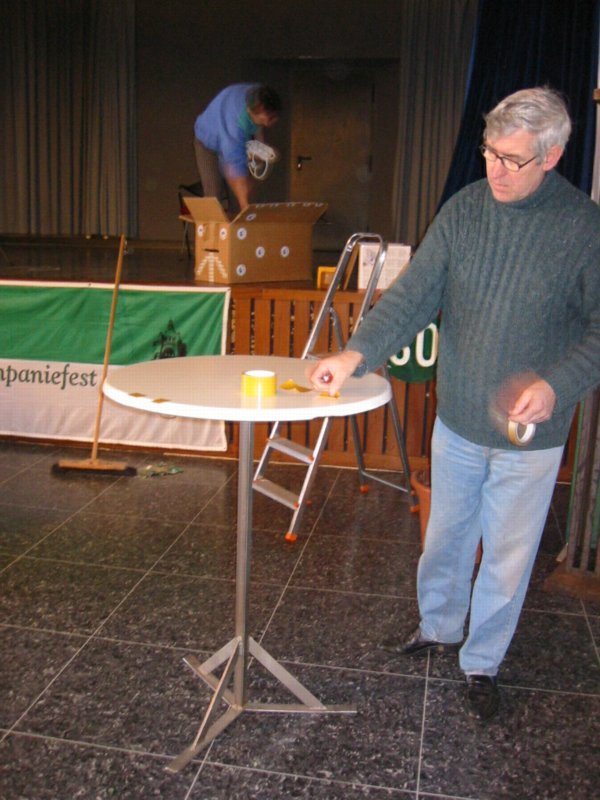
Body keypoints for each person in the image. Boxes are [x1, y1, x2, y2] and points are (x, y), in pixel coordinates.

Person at [307, 87, 600, 721]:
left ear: (552, 156)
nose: (495, 169)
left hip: (531, 436)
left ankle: (482, 661)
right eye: (490, 152)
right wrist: (355, 353)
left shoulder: (583, 228)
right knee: (445, 537)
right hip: (459, 420)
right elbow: (414, 296)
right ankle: (438, 627)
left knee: (508, 558)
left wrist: (556, 385)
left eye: (513, 159)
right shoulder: (465, 211)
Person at [193, 83, 281, 212]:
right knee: (214, 193)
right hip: (207, 142)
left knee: (246, 190)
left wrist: (260, 146)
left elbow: (258, 127)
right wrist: (244, 206)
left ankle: (239, 219)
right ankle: (213, 223)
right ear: (251, 112)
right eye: (266, 119)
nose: (268, 123)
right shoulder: (235, 126)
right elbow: (234, 164)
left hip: (230, 134)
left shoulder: (258, 95)